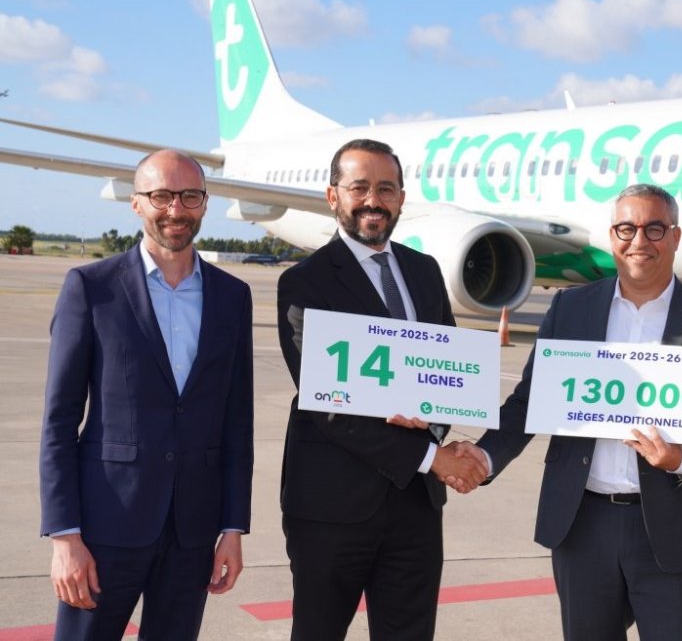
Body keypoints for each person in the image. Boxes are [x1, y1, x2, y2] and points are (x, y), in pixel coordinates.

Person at [463, 184, 682, 640]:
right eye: (627, 229)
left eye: (654, 229)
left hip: (673, 527)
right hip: (582, 524)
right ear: (612, 236)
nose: (639, 241)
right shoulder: (570, 309)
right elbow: (531, 400)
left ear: (676, 237)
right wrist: (484, 457)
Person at [276, 138, 488, 640]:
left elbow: (447, 370)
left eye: (386, 189)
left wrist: (434, 418)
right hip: (333, 506)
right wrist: (431, 458)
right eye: (360, 188)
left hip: (415, 508)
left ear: (401, 199)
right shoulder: (305, 282)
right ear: (333, 196)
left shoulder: (424, 271)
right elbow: (328, 406)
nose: (373, 200)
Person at [39, 149, 255, 640]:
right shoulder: (91, 288)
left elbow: (236, 421)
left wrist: (233, 528)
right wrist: (65, 536)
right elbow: (59, 421)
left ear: (205, 203)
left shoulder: (232, 296)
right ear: (136, 203)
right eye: (161, 196)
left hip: (193, 531)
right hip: (105, 526)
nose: (175, 209)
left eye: (190, 196)